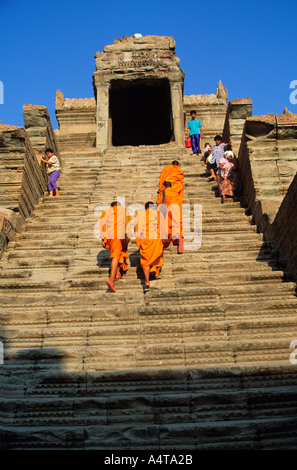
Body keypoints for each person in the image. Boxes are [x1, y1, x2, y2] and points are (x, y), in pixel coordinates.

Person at [134, 197, 170, 292]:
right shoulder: (158, 214)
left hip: (145, 239)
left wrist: (138, 241)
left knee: (146, 261)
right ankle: (157, 273)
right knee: (159, 254)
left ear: (145, 208)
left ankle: (147, 281)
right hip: (157, 238)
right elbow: (164, 228)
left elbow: (137, 229)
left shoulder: (140, 215)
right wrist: (166, 240)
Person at [99, 201, 131, 293]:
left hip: (111, 236)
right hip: (120, 235)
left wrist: (103, 239)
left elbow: (102, 225)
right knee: (116, 255)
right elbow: (127, 225)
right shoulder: (124, 211)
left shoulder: (106, 211)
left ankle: (117, 273)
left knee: (115, 252)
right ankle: (111, 280)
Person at [156, 160, 184, 253]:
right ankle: (180, 238)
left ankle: (171, 242)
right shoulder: (179, 173)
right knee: (178, 223)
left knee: (169, 224)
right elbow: (180, 192)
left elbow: (161, 179)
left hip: (167, 207)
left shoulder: (166, 169)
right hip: (176, 206)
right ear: (178, 165)